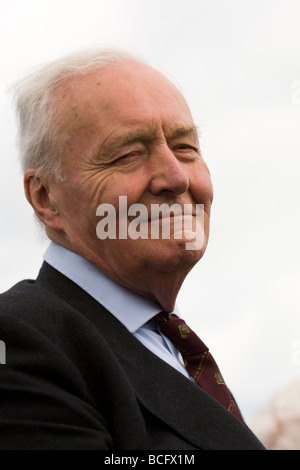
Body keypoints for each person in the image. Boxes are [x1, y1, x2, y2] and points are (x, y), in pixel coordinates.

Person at [0, 48, 264, 450]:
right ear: (46, 198)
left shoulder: (169, 345)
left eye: (185, 147)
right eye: (128, 155)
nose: (175, 177)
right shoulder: (19, 344)